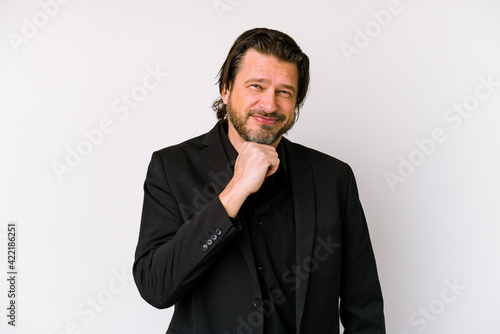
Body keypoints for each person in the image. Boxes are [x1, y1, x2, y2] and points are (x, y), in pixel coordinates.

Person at [133, 27, 385, 334]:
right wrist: (235, 190)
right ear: (226, 89)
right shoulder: (172, 167)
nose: (269, 105)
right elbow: (155, 287)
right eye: (256, 86)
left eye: (284, 92)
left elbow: (365, 309)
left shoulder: (334, 177)